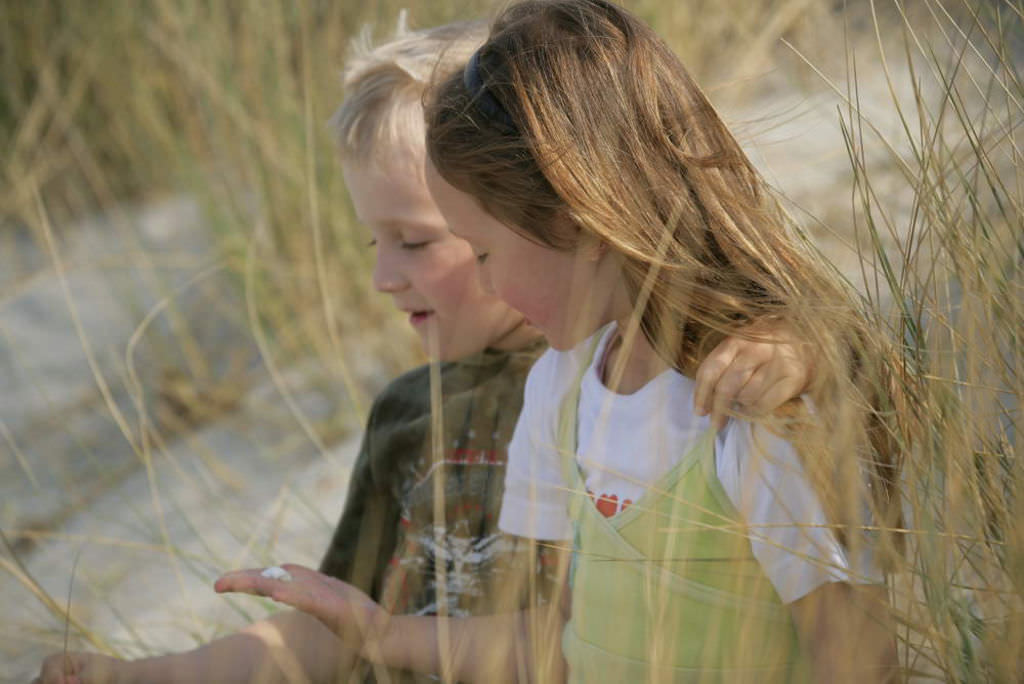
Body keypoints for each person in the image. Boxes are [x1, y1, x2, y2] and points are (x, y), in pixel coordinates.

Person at [33, 14, 821, 684]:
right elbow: (337, 630)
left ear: (541, 212)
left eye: (416, 241)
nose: (381, 277)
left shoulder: (614, 383)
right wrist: (151, 672)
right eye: (374, 242)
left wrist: (793, 346)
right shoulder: (412, 414)